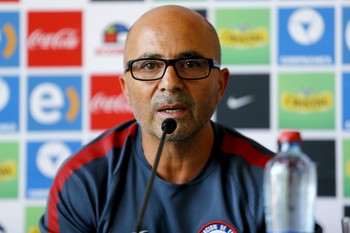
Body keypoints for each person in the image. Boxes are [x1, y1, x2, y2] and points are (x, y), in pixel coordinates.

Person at [39, 5, 322, 233]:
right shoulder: (84, 180)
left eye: (190, 64)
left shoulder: (269, 180)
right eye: (149, 65)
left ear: (220, 86)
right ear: (126, 88)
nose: (170, 83)